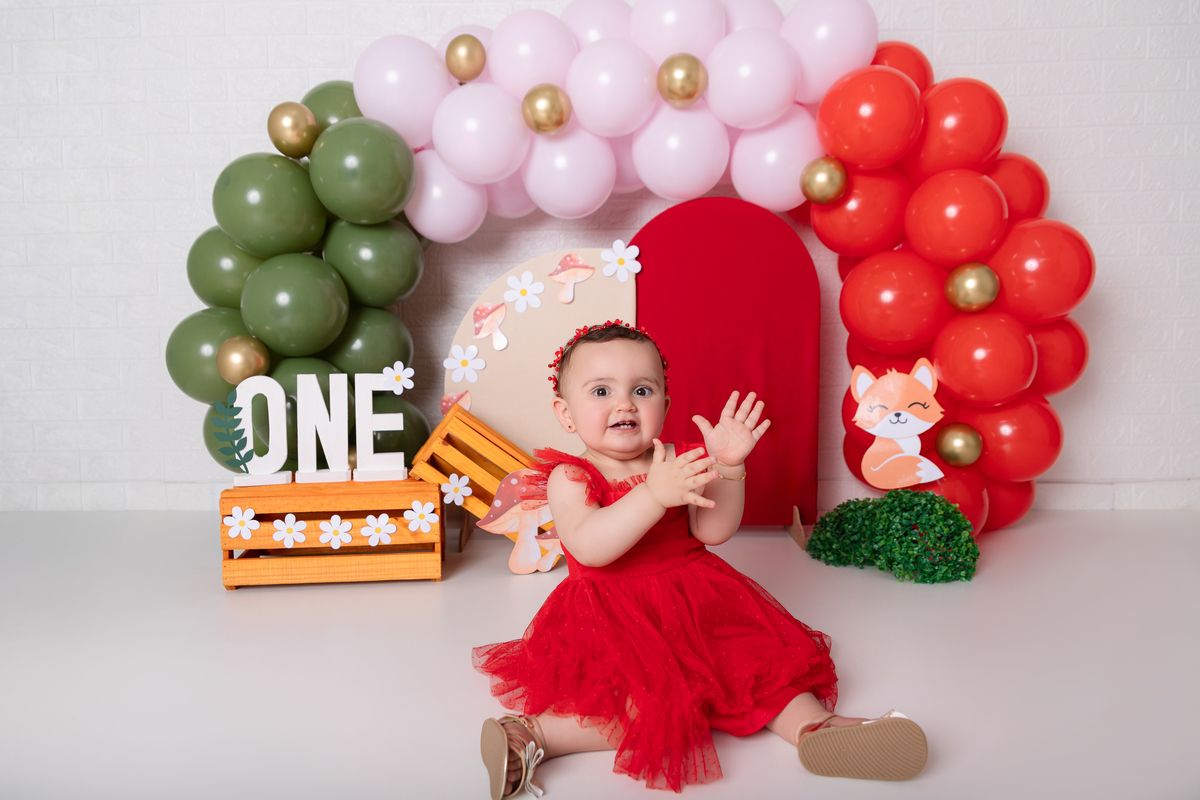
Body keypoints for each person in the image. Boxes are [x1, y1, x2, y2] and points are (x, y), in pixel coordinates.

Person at [474, 321, 926, 798]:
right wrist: (654, 494)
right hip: (613, 616)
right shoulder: (570, 476)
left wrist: (729, 466)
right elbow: (590, 547)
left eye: (642, 390)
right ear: (566, 414)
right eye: (602, 391)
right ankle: (533, 735)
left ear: (665, 406)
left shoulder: (678, 458)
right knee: (638, 702)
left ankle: (815, 728)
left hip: (696, 601)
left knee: (754, 668)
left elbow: (712, 531)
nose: (625, 404)